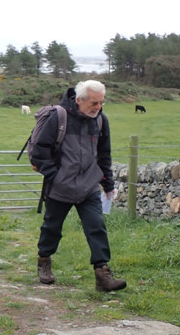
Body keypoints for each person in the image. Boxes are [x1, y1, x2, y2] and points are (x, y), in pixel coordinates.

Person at [31, 80, 126, 292]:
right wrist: (55, 176)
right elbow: (40, 151)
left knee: (96, 227)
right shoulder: (59, 117)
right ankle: (44, 261)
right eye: (94, 103)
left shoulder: (101, 121)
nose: (98, 107)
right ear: (80, 100)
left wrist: (107, 183)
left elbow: (104, 155)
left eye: (101, 102)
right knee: (52, 228)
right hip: (60, 186)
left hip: (89, 186)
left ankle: (102, 274)